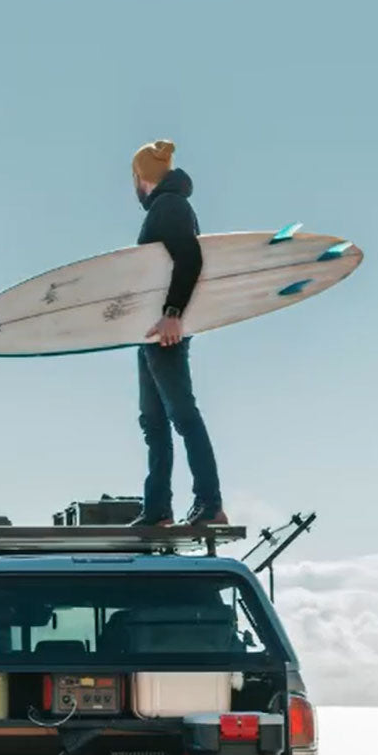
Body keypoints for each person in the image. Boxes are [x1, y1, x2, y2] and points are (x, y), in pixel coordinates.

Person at [129, 139, 227, 527]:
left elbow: (190, 258)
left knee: (183, 415)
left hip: (166, 330)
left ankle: (210, 504)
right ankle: (157, 511)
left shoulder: (169, 207)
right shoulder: (168, 206)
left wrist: (172, 315)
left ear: (142, 178)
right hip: (150, 333)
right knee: (153, 423)